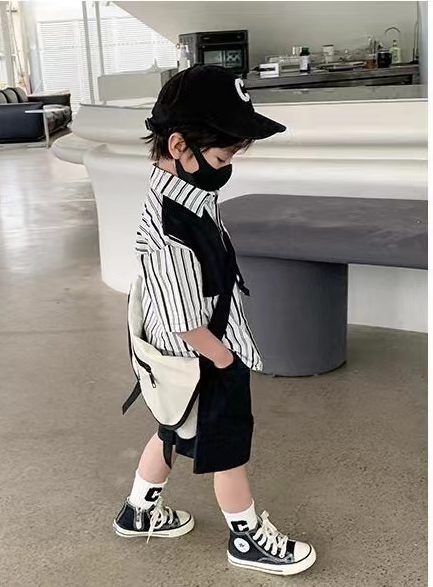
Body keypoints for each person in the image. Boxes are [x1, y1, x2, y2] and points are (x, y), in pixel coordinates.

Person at [113, 65, 316, 577]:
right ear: (179, 145)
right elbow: (184, 320)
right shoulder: (170, 228)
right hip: (203, 358)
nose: (228, 168)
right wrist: (225, 362)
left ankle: (139, 511)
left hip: (183, 365)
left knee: (170, 431)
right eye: (224, 157)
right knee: (227, 453)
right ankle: (246, 538)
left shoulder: (188, 196)